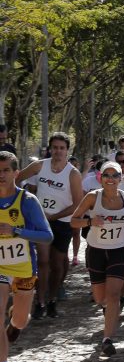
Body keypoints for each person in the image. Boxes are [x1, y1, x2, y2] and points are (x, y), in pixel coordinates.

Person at [70, 162, 124, 356]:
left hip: (119, 251)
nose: (110, 179)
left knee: (113, 296)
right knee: (100, 298)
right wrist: (89, 221)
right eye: (107, 175)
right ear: (101, 178)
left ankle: (107, 339)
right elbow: (74, 220)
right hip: (96, 252)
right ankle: (108, 311)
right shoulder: (92, 197)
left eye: (114, 176)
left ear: (121, 179)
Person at [15, 132, 83, 318]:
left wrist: (55, 216)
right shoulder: (39, 166)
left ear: (67, 151)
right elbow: (17, 178)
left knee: (57, 264)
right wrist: (20, 201)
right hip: (41, 220)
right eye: (55, 148)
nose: (58, 151)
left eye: (62, 148)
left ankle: (52, 298)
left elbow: (77, 204)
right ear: (50, 149)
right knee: (42, 261)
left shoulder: (73, 174)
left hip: (62, 222)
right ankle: (40, 301)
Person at [0, 151, 53, 362]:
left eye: (5, 170)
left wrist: (16, 231)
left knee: (20, 320)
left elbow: (47, 236)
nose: (0, 175)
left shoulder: (27, 201)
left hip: (23, 268)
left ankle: (15, 322)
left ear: (16, 173)